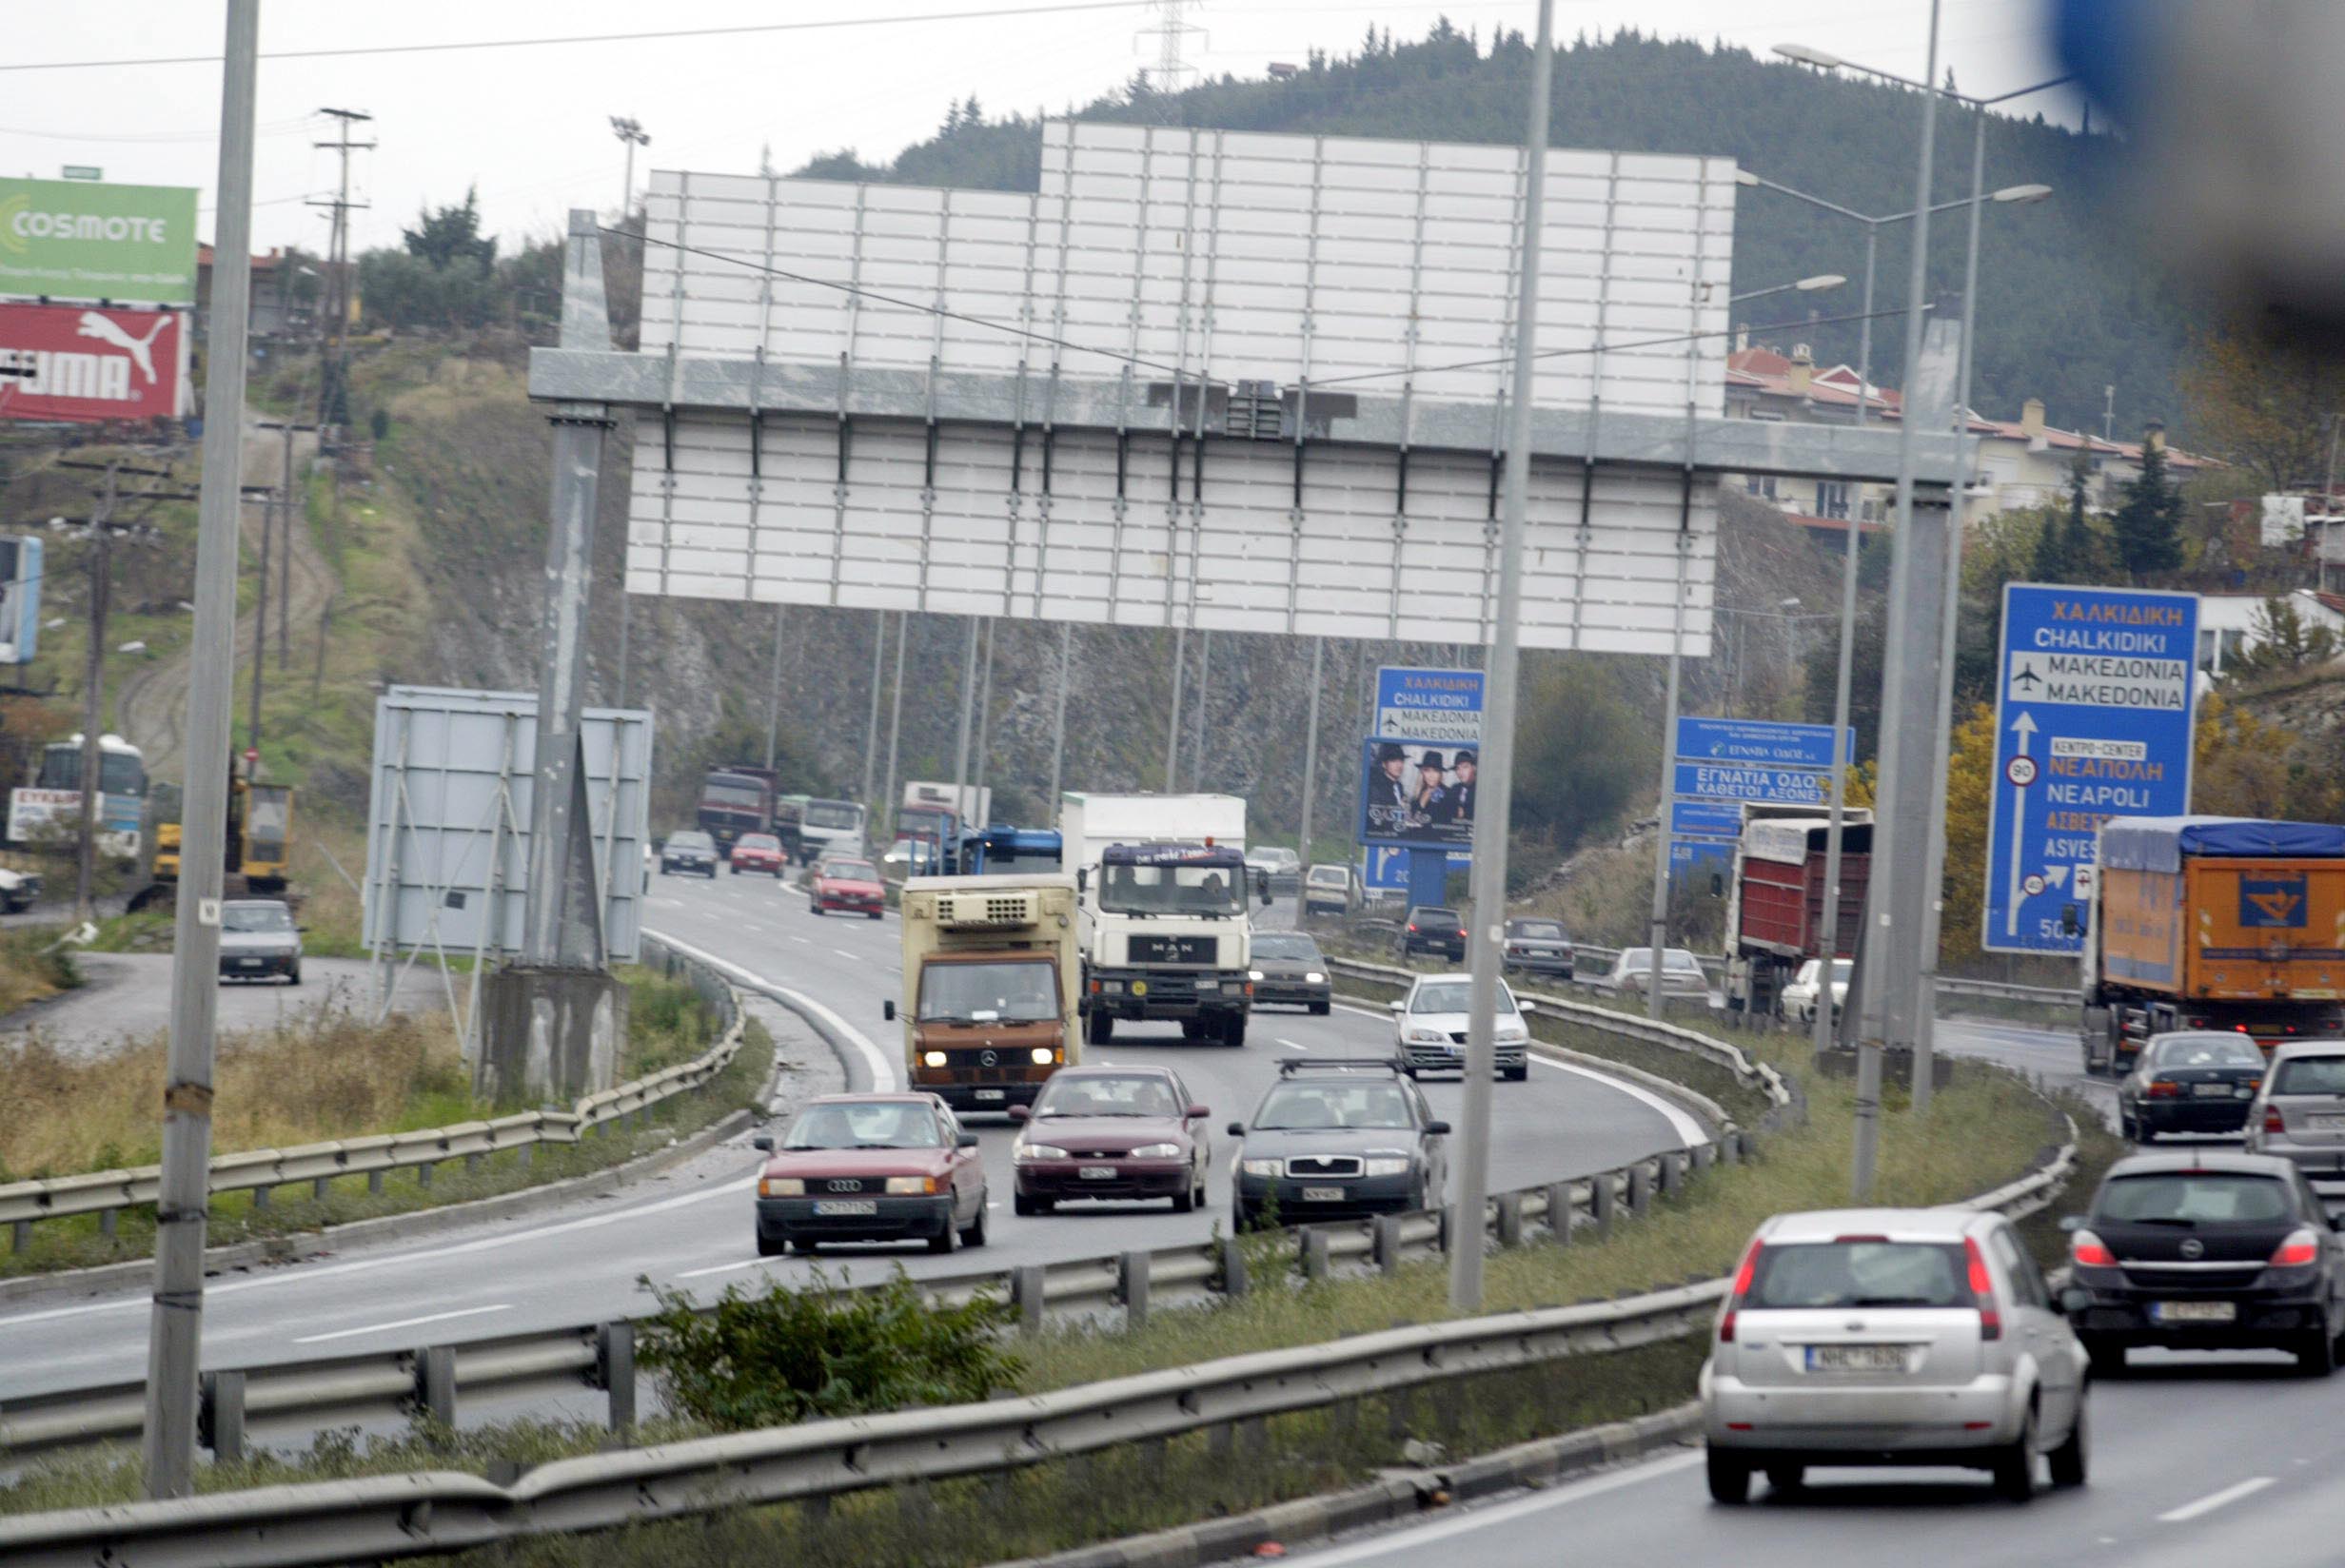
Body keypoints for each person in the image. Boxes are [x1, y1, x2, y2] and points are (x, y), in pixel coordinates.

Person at [1435, 750, 1477, 830]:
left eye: (1465, 767)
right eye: (1457, 768)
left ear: (1474, 768)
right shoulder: (1455, 788)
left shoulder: (1480, 789)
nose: (1461, 772)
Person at [1373, 742, 1412, 814]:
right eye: (1393, 761)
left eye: (1401, 760)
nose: (1399, 765)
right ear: (1384, 764)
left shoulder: (1399, 786)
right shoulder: (1378, 787)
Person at [1412, 751, 1448, 820]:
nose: (1431, 775)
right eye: (1427, 770)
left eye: (1435, 771)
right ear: (1422, 772)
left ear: (1440, 774)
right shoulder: (1420, 792)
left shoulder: (1448, 794)